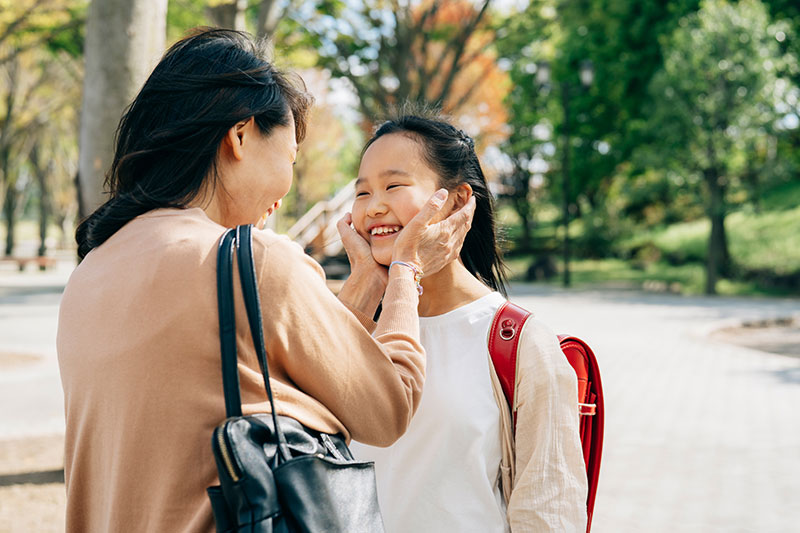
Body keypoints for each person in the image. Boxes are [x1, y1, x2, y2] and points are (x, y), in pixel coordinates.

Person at [57, 30, 475, 533]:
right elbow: (389, 406)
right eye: (291, 158)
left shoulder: (91, 271)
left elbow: (257, 373)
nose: (285, 191)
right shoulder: (251, 262)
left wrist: (359, 297)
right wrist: (408, 269)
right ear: (240, 136)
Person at [345, 113, 588, 532]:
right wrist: (363, 289)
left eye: (394, 185)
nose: (374, 207)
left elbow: (548, 514)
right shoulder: (351, 325)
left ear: (457, 201)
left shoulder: (521, 344)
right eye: (362, 192)